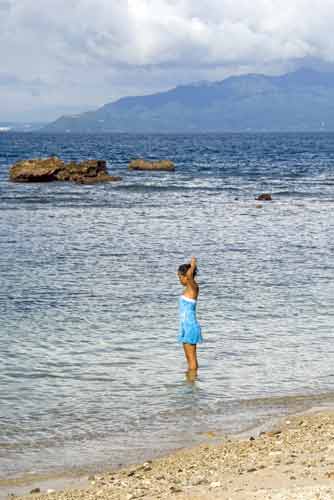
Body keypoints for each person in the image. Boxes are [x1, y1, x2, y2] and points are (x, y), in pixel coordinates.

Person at [177, 256, 203, 375]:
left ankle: (192, 385)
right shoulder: (187, 289)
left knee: (192, 361)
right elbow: (188, 276)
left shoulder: (194, 288)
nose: (179, 280)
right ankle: (189, 383)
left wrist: (192, 265)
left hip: (191, 326)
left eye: (180, 277)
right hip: (185, 326)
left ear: (187, 277)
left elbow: (189, 276)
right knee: (188, 360)